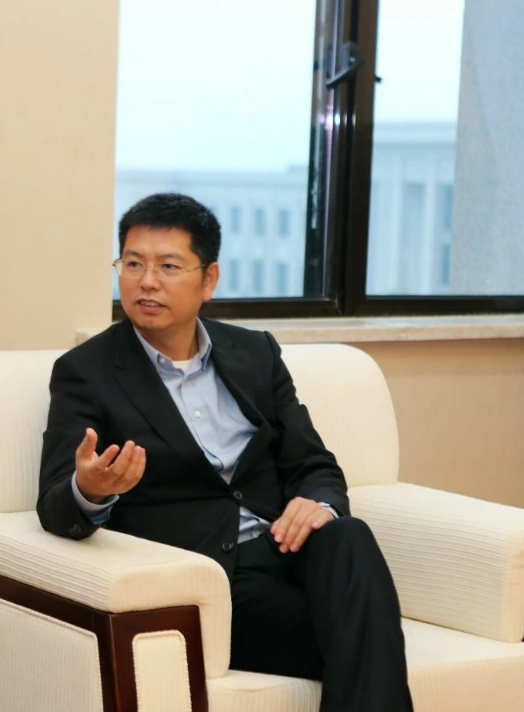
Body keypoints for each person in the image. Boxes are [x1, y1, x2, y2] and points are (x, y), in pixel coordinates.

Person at [37, 193, 413, 712]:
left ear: (208, 278)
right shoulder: (87, 371)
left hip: (286, 549)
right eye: (133, 264)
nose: (147, 281)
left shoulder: (255, 353)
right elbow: (54, 505)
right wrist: (90, 490)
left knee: (348, 534)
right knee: (367, 633)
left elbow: (314, 464)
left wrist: (319, 504)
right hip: (212, 578)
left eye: (169, 266)